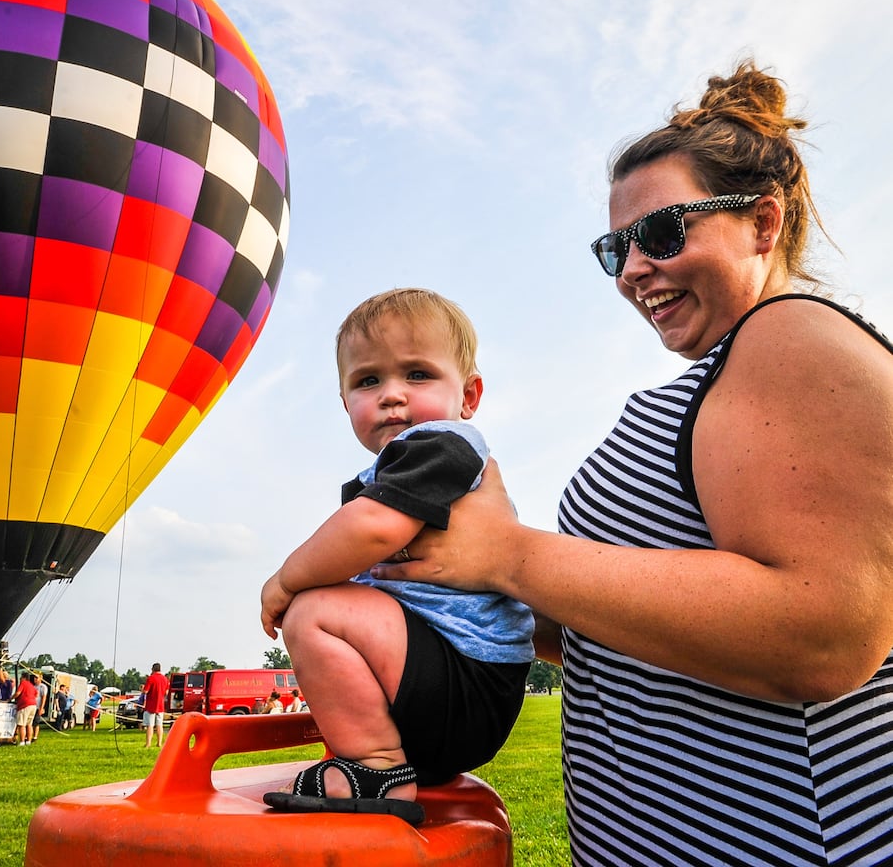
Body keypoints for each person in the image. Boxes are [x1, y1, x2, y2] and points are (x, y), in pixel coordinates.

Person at [374, 61, 893, 865]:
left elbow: (823, 633)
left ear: (762, 222)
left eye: (659, 233)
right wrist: (454, 586)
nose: (630, 271)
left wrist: (511, 554)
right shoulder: (718, 373)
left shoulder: (790, 336)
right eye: (614, 247)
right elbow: (623, 625)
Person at [260, 288, 534, 825]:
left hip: (466, 675)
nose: (391, 395)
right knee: (331, 604)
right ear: (345, 403)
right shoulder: (383, 474)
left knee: (314, 609)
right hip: (437, 683)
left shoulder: (442, 443)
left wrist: (285, 579)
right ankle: (381, 754)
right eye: (368, 381)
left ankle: (376, 766)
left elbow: (374, 528)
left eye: (417, 374)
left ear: (469, 396)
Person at [142, 662, 169, 747]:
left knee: (150, 725)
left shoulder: (151, 678)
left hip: (151, 706)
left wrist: (142, 690)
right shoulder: (165, 679)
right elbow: (166, 692)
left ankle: (148, 743)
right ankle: (159, 743)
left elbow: (145, 691)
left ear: (153, 669)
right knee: (159, 725)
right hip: (160, 706)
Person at [15, 672, 39, 746]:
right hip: (33, 705)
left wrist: (12, 698)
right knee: (29, 724)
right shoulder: (31, 685)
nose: (20, 679)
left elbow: (18, 693)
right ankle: (28, 741)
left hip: (25, 705)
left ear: (24, 678)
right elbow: (36, 694)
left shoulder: (23, 683)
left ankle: (22, 742)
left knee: (21, 724)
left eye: (21, 677)